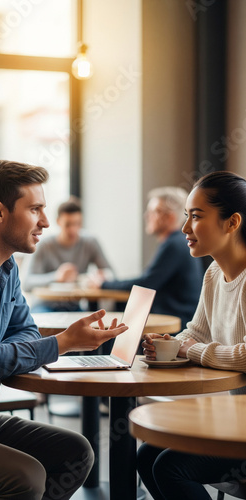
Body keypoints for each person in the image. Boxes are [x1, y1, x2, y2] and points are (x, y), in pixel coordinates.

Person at [0, 159, 128, 500]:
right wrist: (64, 342)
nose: (45, 221)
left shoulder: (7, 267)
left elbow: (26, 330)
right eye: (35, 209)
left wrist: (6, 356)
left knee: (76, 453)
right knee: (26, 478)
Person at [138, 170, 246, 500]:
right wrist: (169, 344)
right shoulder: (214, 273)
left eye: (196, 217)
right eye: (186, 216)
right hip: (238, 419)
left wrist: (191, 350)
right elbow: (195, 332)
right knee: (146, 455)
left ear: (232, 222)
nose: (185, 228)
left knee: (169, 467)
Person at [89, 186, 204, 329]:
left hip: (175, 322)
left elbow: (146, 283)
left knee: (112, 325)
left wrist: (103, 284)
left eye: (153, 211)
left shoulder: (174, 245)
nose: (146, 216)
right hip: (174, 316)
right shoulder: (178, 242)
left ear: (170, 217)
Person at [22, 196, 113, 312]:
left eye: (77, 224)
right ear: (58, 222)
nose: (73, 230)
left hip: (73, 307)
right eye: (68, 225)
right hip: (45, 306)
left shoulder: (90, 242)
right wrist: (56, 277)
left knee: (92, 322)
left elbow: (110, 273)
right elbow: (26, 283)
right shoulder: (44, 245)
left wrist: (99, 277)